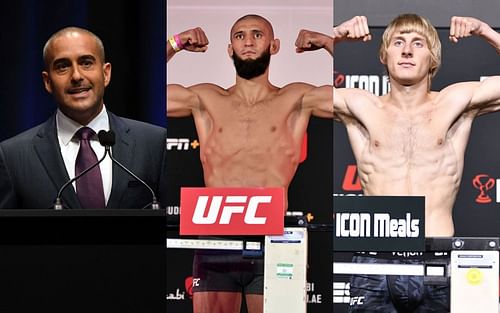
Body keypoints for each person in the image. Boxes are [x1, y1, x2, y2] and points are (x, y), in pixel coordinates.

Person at [333, 14, 500, 312]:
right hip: (375, 257)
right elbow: (294, 100)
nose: (407, 50)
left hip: (437, 254)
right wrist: (334, 36)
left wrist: (486, 32)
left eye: (417, 43)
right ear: (384, 55)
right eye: (398, 42)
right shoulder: (360, 106)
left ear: (432, 57)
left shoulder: (456, 103)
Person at [167, 14, 333, 313]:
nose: (248, 41)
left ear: (275, 45)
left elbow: (357, 101)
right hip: (215, 238)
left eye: (258, 34)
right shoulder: (204, 99)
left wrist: (326, 42)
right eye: (240, 35)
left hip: (275, 239)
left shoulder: (297, 99)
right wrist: (175, 43)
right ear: (230, 48)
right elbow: (133, 87)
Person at [0, 26, 167, 209]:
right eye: (63, 66)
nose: (77, 76)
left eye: (86, 63)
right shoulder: (12, 156)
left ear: (106, 73)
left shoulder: (154, 143)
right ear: (47, 82)